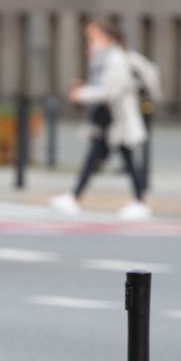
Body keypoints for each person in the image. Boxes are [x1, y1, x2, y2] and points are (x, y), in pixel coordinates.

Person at [50, 20, 151, 220]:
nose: (91, 42)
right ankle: (75, 196)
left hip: (117, 119)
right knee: (100, 157)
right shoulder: (103, 58)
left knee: (124, 159)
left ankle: (138, 203)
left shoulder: (115, 58)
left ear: (107, 37)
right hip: (108, 119)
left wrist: (82, 94)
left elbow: (110, 91)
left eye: (94, 37)